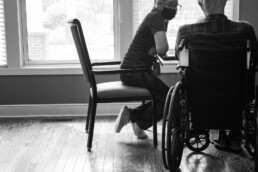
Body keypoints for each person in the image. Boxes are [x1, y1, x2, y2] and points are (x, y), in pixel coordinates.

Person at [175, 0, 258, 151]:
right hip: (236, 94)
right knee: (243, 81)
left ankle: (217, 133)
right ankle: (235, 135)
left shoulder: (185, 32)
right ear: (225, 2)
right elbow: (255, 59)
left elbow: (180, 59)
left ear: (202, 3)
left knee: (207, 88)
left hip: (200, 95)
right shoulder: (245, 29)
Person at [114, 0, 179, 139]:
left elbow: (159, 48)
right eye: (170, 4)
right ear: (159, 4)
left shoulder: (157, 17)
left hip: (133, 70)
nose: (173, 9)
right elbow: (163, 48)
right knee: (171, 98)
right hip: (134, 71)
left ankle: (132, 116)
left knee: (166, 97)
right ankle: (136, 119)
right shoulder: (156, 17)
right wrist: (158, 49)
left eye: (176, 5)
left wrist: (156, 49)